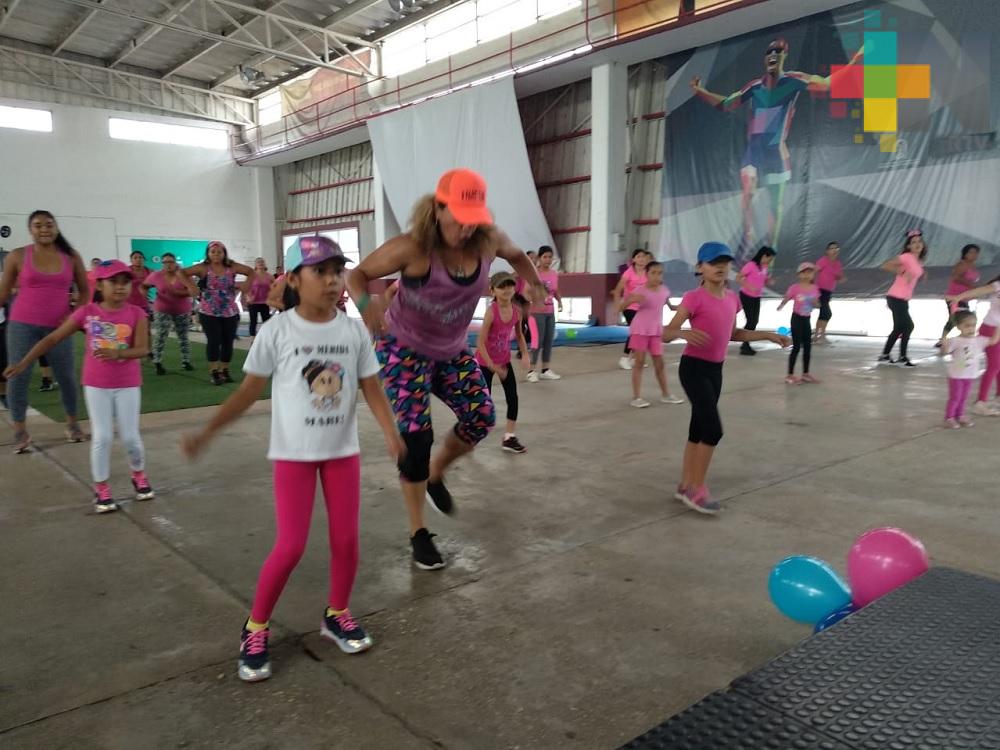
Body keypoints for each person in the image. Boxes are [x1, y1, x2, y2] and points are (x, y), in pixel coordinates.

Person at [181, 237, 403, 682]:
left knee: (346, 540)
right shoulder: (277, 332)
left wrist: (391, 434)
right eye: (320, 271)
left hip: (342, 453)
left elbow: (371, 388)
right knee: (291, 546)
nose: (331, 280)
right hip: (294, 455)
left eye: (337, 271)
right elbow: (247, 394)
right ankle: (255, 626)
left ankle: (337, 613)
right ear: (294, 279)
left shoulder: (352, 330)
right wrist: (208, 430)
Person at [345, 168, 543, 570]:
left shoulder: (489, 243)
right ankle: (419, 532)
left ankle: (437, 473)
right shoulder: (414, 248)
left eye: (474, 218)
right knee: (416, 439)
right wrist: (368, 308)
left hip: (451, 351)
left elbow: (519, 256)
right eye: (458, 216)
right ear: (437, 208)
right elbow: (357, 274)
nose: (466, 227)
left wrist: (535, 284)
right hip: (403, 351)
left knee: (481, 416)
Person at [690, 40, 863, 258]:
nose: (773, 55)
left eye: (778, 51)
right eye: (769, 52)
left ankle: (770, 255)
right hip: (754, 150)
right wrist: (700, 91)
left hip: (776, 152)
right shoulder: (754, 86)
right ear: (765, 59)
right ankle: (748, 236)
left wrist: (854, 62)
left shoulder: (793, 81)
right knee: (748, 191)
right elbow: (726, 104)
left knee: (775, 205)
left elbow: (826, 84)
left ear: (784, 56)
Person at [4, 260, 153, 511]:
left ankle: (138, 474)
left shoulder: (137, 314)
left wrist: (118, 354)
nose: (120, 287)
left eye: (125, 282)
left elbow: (143, 349)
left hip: (128, 384)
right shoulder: (87, 313)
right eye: (113, 282)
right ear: (100, 285)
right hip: (96, 385)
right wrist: (23, 362)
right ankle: (101, 488)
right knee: (102, 437)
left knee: (131, 438)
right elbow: (53, 337)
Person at [663, 242, 790, 514]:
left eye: (725, 262)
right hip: (693, 367)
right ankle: (697, 489)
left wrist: (767, 334)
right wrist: (683, 334)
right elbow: (666, 332)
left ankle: (686, 484)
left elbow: (734, 334)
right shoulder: (693, 298)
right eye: (713, 262)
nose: (720, 267)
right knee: (713, 429)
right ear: (700, 268)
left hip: (715, 370)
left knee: (698, 430)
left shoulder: (733, 298)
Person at [0, 210, 89, 453]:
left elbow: (85, 291)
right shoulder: (18, 256)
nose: (44, 229)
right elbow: (3, 293)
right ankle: (20, 429)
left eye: (49, 224)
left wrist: (73, 316)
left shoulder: (71, 257)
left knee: (67, 376)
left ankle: (72, 423)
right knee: (17, 375)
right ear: (31, 230)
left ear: (56, 228)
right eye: (38, 225)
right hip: (21, 325)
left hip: (59, 327)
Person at [475, 272, 529, 453]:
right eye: (501, 287)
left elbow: (520, 335)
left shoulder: (516, 312)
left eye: (510, 286)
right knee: (483, 404)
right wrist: (490, 365)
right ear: (493, 291)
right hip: (485, 362)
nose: (507, 290)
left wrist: (525, 354)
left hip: (504, 360)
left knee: (512, 398)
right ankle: (470, 434)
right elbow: (480, 342)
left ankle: (509, 437)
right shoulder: (491, 313)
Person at [187, 241, 255, 385]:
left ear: (224, 253)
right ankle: (214, 371)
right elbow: (182, 272)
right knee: (214, 341)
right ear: (208, 254)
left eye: (219, 252)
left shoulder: (232, 266)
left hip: (229, 311)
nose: (216, 254)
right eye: (213, 252)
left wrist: (246, 287)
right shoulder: (203, 268)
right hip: (208, 311)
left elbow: (251, 272)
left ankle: (225, 370)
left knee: (227, 342)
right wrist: (191, 286)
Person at [618, 260, 683, 407]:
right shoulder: (640, 290)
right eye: (653, 273)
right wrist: (630, 301)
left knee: (660, 363)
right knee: (639, 363)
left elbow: (670, 305)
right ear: (647, 274)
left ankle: (666, 394)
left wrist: (680, 307)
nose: (657, 276)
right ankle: (636, 397)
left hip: (655, 331)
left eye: (659, 273)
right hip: (640, 330)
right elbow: (621, 307)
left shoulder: (665, 290)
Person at [946, 276, 1000, 417]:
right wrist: (958, 298)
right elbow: (977, 291)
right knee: (994, 366)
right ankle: (980, 403)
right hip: (991, 329)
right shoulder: (997, 285)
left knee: (998, 365)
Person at [941, 310, 1000, 428]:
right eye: (967, 326)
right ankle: (950, 417)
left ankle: (960, 415)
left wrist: (998, 326)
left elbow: (994, 340)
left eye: (973, 325)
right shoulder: (955, 341)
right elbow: (945, 352)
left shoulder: (979, 340)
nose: (971, 328)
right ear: (958, 327)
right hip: (956, 375)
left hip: (969, 375)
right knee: (955, 397)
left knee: (964, 397)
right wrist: (944, 345)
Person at [878, 230, 927, 367]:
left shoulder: (919, 261)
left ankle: (885, 355)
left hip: (903, 298)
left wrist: (921, 275)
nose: (917, 244)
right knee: (908, 326)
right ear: (909, 246)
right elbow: (886, 265)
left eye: (919, 241)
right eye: (913, 242)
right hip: (895, 296)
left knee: (900, 327)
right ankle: (902, 357)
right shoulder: (906, 256)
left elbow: (914, 273)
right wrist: (903, 271)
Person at [144, 252, 198, 375]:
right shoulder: (156, 275)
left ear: (175, 263)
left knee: (183, 336)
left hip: (182, 310)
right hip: (162, 309)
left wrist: (179, 293)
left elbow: (194, 291)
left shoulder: (183, 275)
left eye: (171, 262)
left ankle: (186, 361)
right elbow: (144, 286)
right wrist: (145, 300)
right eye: (165, 262)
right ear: (162, 264)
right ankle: (157, 362)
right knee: (161, 335)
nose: (168, 265)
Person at [777, 262, 821, 384]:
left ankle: (806, 374)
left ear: (813, 275)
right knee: (796, 347)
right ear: (799, 275)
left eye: (810, 272)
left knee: (808, 346)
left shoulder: (815, 288)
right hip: (796, 319)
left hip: (807, 320)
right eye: (804, 272)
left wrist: (815, 304)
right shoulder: (795, 288)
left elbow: (817, 304)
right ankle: (789, 375)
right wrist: (781, 305)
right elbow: (787, 298)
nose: (807, 275)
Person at [527, 245, 562, 382]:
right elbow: (526, 291)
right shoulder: (533, 273)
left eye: (550, 257)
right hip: (536, 313)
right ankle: (531, 371)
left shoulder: (554, 274)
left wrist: (560, 302)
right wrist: (534, 301)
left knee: (548, 341)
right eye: (545, 257)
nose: (548, 260)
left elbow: (556, 290)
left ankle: (545, 369)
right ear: (540, 258)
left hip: (550, 312)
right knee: (537, 341)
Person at [612, 249, 651, 370]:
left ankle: (635, 359)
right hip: (629, 306)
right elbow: (618, 290)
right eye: (639, 257)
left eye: (644, 257)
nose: (642, 259)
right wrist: (617, 306)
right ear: (633, 259)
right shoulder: (629, 273)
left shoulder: (648, 272)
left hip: (643, 308)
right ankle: (624, 358)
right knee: (635, 332)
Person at [736, 246, 776, 355]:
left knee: (754, 321)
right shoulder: (751, 265)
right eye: (770, 258)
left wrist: (769, 280)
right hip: (746, 295)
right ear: (764, 256)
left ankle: (746, 344)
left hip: (756, 297)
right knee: (751, 321)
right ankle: (745, 345)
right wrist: (748, 286)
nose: (770, 261)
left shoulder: (764, 266)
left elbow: (763, 279)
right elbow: (738, 278)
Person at [939, 244, 980, 348]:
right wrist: (970, 284)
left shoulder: (973, 266)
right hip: (954, 297)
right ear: (965, 254)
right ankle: (943, 339)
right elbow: (955, 277)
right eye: (971, 252)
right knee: (955, 319)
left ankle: (962, 339)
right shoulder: (962, 265)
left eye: (976, 252)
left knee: (964, 318)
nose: (974, 255)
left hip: (964, 298)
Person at [814, 241, 845, 344]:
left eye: (836, 248)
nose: (834, 250)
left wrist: (841, 278)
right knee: (826, 313)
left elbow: (838, 277)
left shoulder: (838, 264)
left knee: (823, 314)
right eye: (832, 248)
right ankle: (820, 336)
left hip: (828, 291)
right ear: (827, 251)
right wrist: (812, 287)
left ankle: (817, 336)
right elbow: (814, 271)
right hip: (820, 290)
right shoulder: (823, 261)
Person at [242, 257, 274, 337]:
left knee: (266, 321)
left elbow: (274, 288)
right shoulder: (251, 275)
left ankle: (267, 337)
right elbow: (245, 288)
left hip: (265, 302)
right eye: (258, 262)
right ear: (255, 265)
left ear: (265, 264)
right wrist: (248, 297)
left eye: (262, 262)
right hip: (253, 302)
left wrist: (273, 300)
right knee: (253, 321)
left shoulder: (270, 276)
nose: (260, 263)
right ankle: (252, 338)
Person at [127, 250, 153, 316]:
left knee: (144, 323)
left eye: (140, 257)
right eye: (135, 258)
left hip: (144, 304)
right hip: (128, 304)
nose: (138, 259)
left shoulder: (149, 271)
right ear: (131, 260)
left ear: (144, 259)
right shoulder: (126, 271)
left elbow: (158, 284)